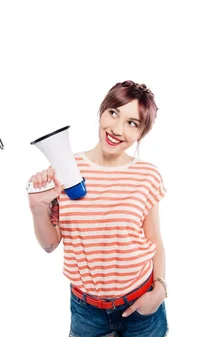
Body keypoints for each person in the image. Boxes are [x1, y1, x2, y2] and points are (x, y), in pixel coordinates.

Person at [27, 80, 168, 337]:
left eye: (132, 123)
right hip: (87, 313)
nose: (116, 129)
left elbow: (154, 238)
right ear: (102, 111)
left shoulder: (147, 175)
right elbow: (49, 245)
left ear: (141, 133)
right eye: (113, 113)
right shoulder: (65, 171)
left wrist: (160, 289)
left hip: (142, 306)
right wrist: (38, 209)